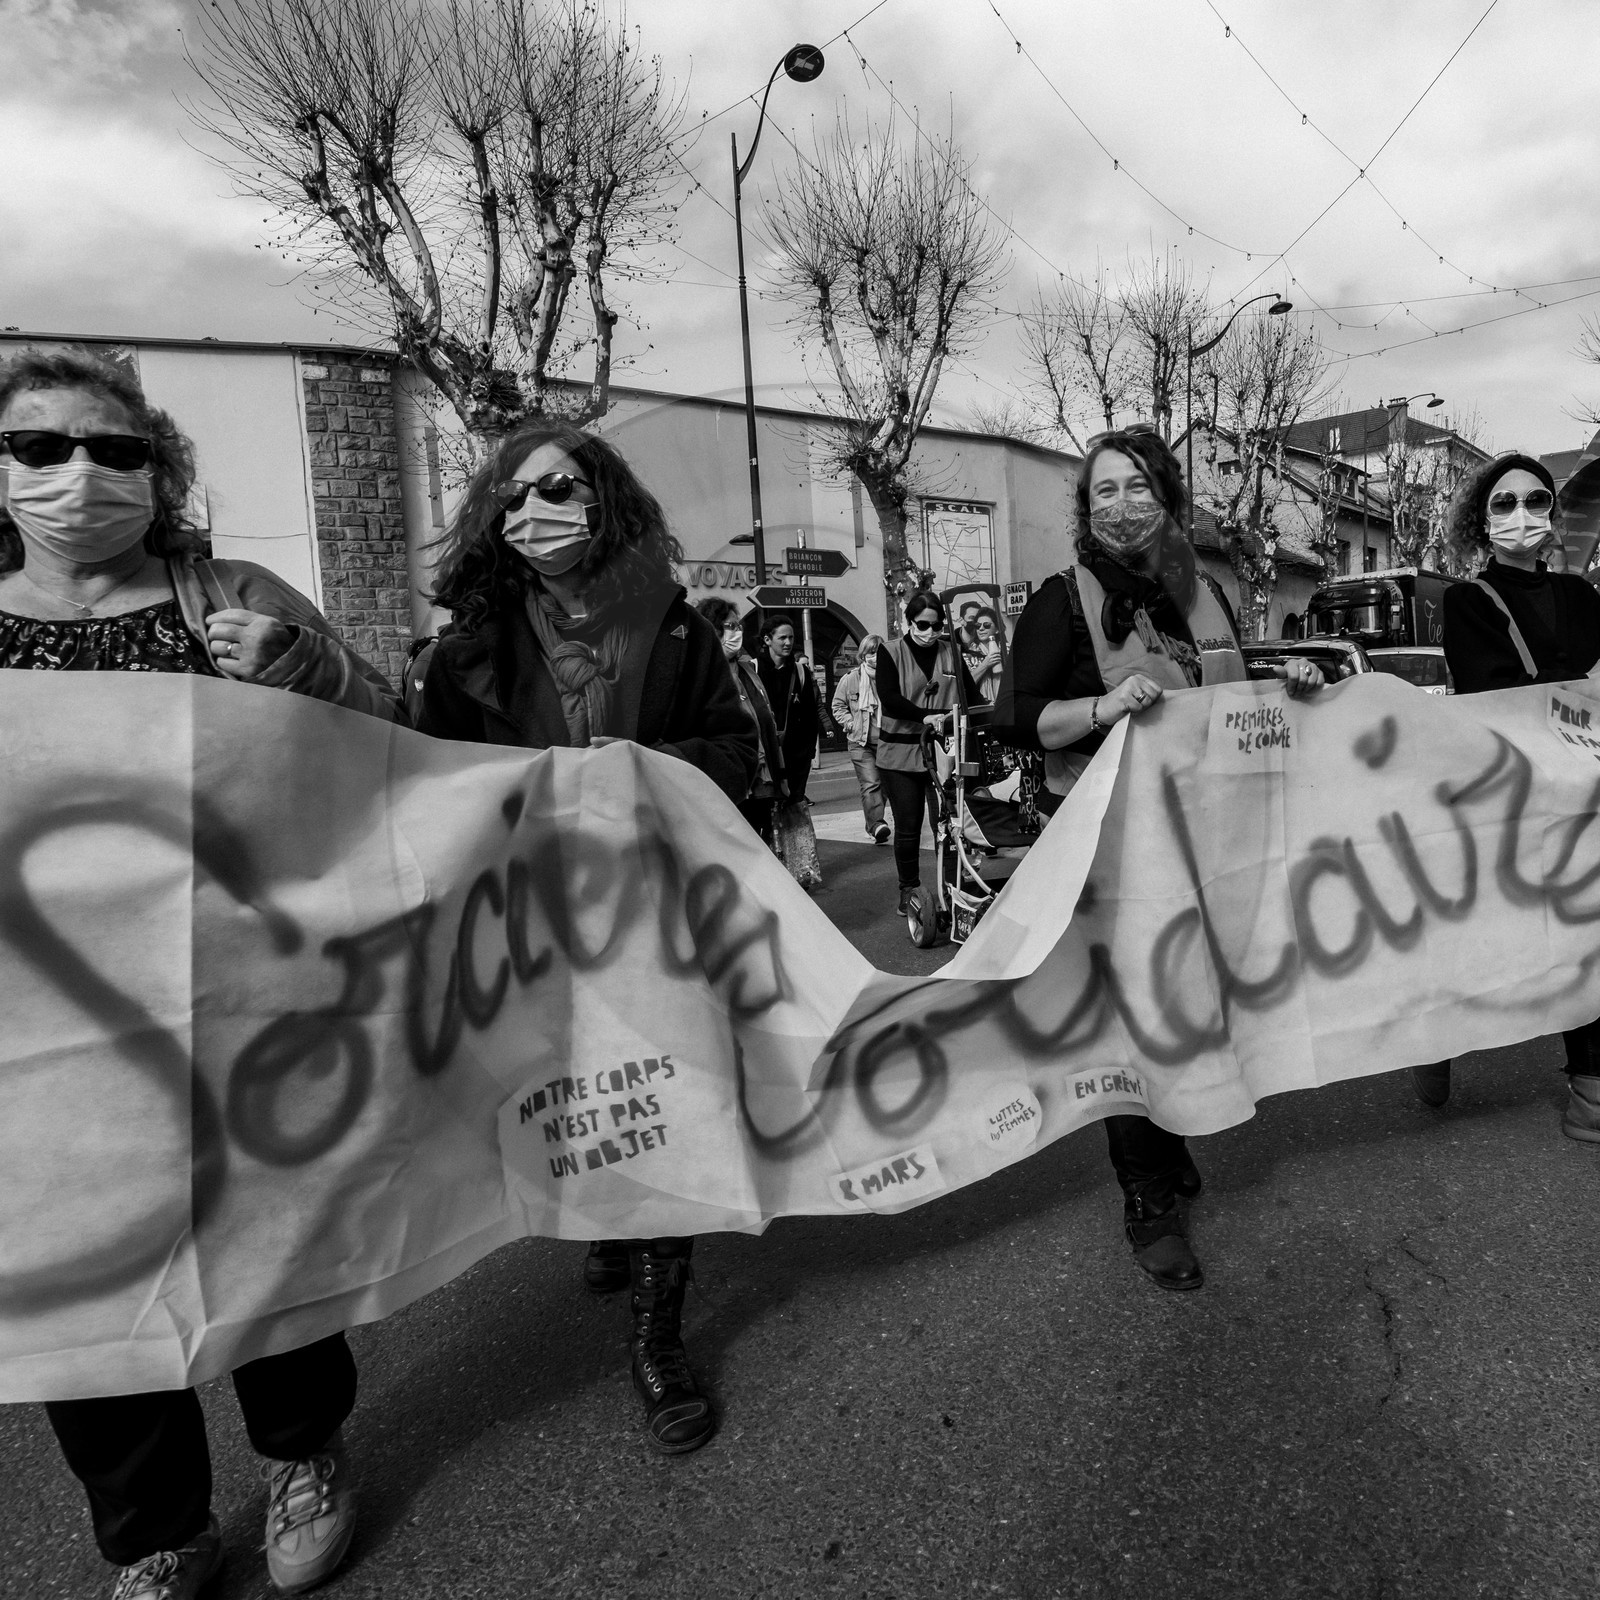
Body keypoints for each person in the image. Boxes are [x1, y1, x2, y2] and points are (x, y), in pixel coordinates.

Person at [0, 349, 401, 1600]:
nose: (80, 473)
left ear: (158, 469)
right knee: (84, 1269)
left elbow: (396, 737)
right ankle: (154, 1527)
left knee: (267, 1237)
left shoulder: (221, 590)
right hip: (39, 1030)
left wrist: (310, 673)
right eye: (41, 447)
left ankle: (303, 1454)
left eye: (115, 449)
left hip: (236, 1000)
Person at [417, 420, 756, 1458]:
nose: (534, 512)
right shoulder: (469, 646)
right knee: (571, 1090)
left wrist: (643, 765)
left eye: (557, 488)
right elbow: (431, 790)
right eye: (512, 498)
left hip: (654, 915)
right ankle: (604, 1217)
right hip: (527, 926)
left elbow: (738, 754)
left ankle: (658, 1334)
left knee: (667, 1097)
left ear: (603, 497)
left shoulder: (680, 629)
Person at [996, 426, 1324, 1293]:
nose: (1120, 504)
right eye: (1102, 491)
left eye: (1137, 486)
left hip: (1208, 838)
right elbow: (1018, 717)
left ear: (1167, 498)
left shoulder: (1204, 590)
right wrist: (1103, 707)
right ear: (1085, 509)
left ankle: (1170, 1136)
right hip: (1113, 850)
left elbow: (1234, 693)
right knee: (1132, 1018)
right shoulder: (1060, 599)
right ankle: (1147, 1199)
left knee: (1187, 996)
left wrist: (1285, 678)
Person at [1411, 453, 1600, 1127]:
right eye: (1503, 503)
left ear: (1553, 514)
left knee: (1583, 926)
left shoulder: (1582, 597)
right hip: (1509, 792)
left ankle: (1589, 1083)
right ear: (1481, 521)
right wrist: (1576, 687)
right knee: (1486, 932)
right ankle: (1436, 1030)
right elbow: (1491, 692)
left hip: (1581, 797)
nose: (1522, 515)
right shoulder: (1467, 600)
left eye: (1536, 501)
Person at [876, 592, 985, 917]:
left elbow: (971, 694)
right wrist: (923, 715)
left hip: (944, 753)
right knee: (909, 825)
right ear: (909, 623)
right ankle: (908, 889)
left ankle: (950, 886)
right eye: (923, 625)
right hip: (900, 754)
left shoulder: (951, 652)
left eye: (936, 625)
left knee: (951, 824)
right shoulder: (891, 651)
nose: (930, 631)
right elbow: (889, 697)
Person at [695, 594, 787, 847]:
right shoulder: (702, 673)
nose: (738, 632)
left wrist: (779, 772)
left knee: (762, 843)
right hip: (729, 779)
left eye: (740, 626)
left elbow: (765, 718)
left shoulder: (747, 669)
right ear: (712, 629)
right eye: (731, 626)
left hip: (762, 777)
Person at [831, 633, 891, 844]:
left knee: (884, 784)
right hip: (860, 741)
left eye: (878, 652)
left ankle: (873, 823)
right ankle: (877, 825)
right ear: (863, 655)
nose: (874, 656)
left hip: (887, 741)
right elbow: (837, 705)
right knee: (871, 782)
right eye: (870, 652)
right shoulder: (851, 679)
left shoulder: (892, 676)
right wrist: (850, 723)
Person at [755, 616, 822, 804]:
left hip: (796, 757)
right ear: (767, 640)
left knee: (793, 809)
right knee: (765, 810)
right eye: (782, 638)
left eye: (791, 638)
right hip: (764, 756)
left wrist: (808, 752)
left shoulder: (800, 672)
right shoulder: (753, 669)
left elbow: (810, 715)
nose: (788, 642)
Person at [964, 607, 1005, 704]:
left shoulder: (1007, 650)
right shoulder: (969, 653)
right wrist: (985, 664)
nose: (981, 628)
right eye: (978, 625)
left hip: (1005, 704)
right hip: (981, 706)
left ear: (997, 629)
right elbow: (965, 686)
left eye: (986, 625)